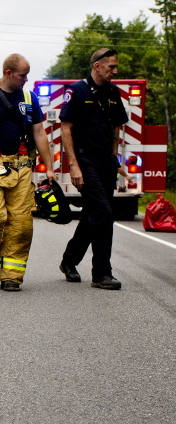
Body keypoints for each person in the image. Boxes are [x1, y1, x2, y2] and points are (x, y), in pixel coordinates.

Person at [0, 54, 54, 291]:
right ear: (8, 73)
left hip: (21, 167)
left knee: (21, 223)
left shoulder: (29, 98)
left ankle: (12, 276)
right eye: (22, 75)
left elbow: (39, 133)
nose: (26, 79)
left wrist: (50, 168)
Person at [59, 48, 129, 289]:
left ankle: (68, 262)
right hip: (85, 161)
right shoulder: (76, 90)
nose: (115, 71)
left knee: (92, 215)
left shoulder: (113, 92)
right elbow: (66, 129)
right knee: (103, 214)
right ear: (97, 66)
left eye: (116, 66)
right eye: (111, 66)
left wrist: (113, 157)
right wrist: (74, 167)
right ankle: (101, 274)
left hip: (105, 162)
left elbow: (117, 126)